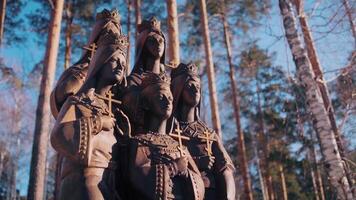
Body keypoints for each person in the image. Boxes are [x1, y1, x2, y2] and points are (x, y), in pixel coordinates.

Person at [50, 29, 129, 200]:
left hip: (109, 183)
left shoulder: (113, 111)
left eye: (123, 62)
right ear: (101, 62)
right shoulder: (77, 102)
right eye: (115, 60)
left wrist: (125, 138)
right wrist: (98, 122)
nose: (121, 66)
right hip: (83, 181)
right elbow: (58, 136)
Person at [127, 72, 205, 200]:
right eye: (160, 97)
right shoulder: (140, 142)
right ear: (146, 104)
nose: (168, 102)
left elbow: (199, 182)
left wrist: (186, 172)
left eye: (170, 98)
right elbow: (138, 178)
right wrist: (173, 168)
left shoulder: (179, 147)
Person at [170, 63, 236, 200]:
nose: (195, 90)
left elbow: (226, 168)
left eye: (198, 87)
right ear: (177, 89)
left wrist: (227, 197)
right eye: (190, 86)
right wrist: (196, 163)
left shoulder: (208, 133)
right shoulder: (167, 130)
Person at [50, 8, 122, 119]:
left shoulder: (117, 77)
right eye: (107, 33)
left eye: (115, 35)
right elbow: (60, 100)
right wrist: (82, 76)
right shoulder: (78, 69)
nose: (111, 39)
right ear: (96, 37)